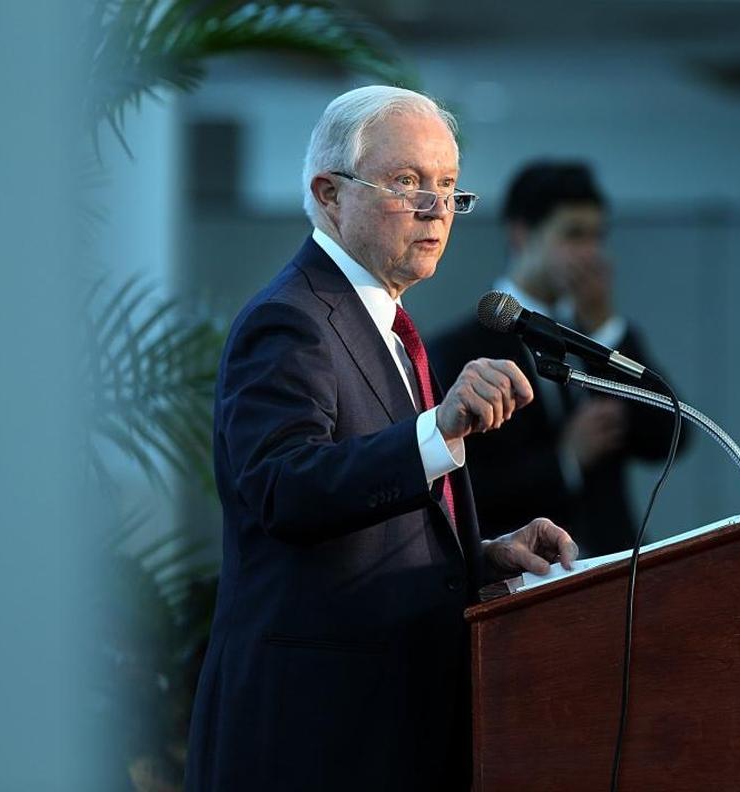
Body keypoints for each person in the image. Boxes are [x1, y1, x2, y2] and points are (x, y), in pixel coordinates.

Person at [184, 87, 578, 792]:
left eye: (449, 186)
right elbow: (284, 490)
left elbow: (366, 525)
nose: (435, 209)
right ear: (329, 194)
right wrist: (439, 427)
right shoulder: (292, 320)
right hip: (315, 735)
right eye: (407, 183)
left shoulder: (385, 327)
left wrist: (482, 556)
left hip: (392, 723)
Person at [429, 161, 685, 557]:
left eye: (597, 236)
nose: (591, 253)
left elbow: (669, 437)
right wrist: (565, 460)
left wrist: (603, 328)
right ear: (521, 234)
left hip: (618, 567)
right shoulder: (458, 349)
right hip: (528, 577)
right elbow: (463, 488)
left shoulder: (599, 333)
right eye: (573, 235)